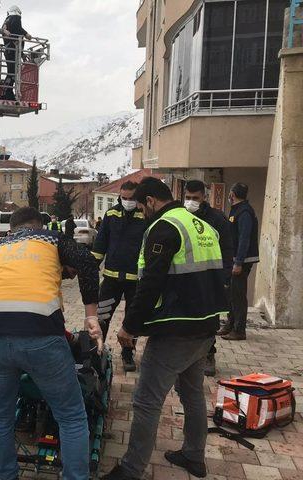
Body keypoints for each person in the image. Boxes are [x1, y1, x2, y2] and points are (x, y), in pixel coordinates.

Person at [102, 177, 227, 480]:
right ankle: (194, 456)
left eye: (143, 207)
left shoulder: (163, 227)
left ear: (151, 202)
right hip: (205, 327)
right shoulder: (201, 225)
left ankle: (131, 470)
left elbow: (150, 283)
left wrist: (129, 327)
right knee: (192, 393)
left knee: (146, 400)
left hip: (176, 331)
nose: (143, 212)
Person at [0, 206, 102, 480]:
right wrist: (91, 316)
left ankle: (6, 476)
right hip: (41, 338)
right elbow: (87, 262)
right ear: (39, 225)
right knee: (71, 417)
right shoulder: (50, 239)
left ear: (11, 229)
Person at [91, 181, 147, 372]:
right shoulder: (111, 215)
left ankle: (127, 353)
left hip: (135, 280)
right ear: (119, 197)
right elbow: (100, 244)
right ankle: (96, 352)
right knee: (101, 317)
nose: (128, 202)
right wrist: (91, 267)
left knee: (133, 319)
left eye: (131, 198)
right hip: (111, 278)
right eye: (124, 198)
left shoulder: (145, 217)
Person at [184, 180, 234, 376]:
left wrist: (224, 276)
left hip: (210, 278)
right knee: (186, 318)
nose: (190, 202)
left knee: (209, 320)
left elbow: (227, 248)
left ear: (203, 197)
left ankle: (209, 355)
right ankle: (187, 356)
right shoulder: (180, 217)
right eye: (187, 198)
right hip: (186, 277)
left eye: (195, 198)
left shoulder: (217, 219)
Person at [219, 183, 259, 341]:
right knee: (230, 293)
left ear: (232, 194)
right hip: (233, 259)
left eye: (230, 192)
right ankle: (230, 324)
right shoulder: (237, 209)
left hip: (241, 261)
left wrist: (239, 262)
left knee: (238, 295)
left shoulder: (245, 212)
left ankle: (239, 330)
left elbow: (244, 238)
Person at [0, 5, 32, 100]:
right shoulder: (16, 18)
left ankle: (6, 91)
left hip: (9, 49)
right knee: (13, 72)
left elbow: (16, 29)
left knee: (11, 71)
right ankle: (8, 92)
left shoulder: (6, 21)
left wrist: (25, 34)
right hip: (13, 49)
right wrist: (25, 34)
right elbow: (17, 28)